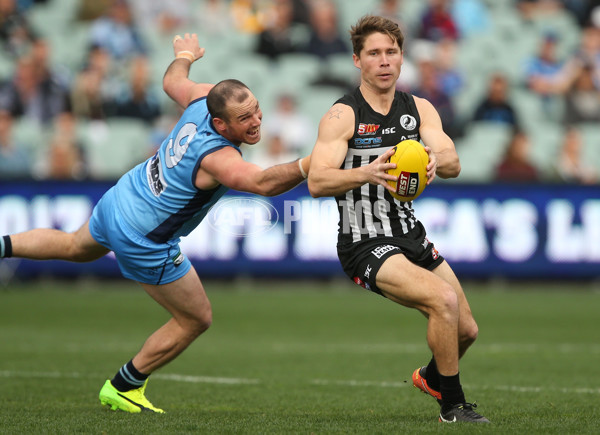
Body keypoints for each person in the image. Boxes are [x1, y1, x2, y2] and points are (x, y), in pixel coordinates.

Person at [0, 33, 310, 413]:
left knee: (72, 247)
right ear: (220, 123)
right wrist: (311, 164)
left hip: (122, 198)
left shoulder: (202, 96)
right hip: (144, 238)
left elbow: (170, 81)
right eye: (244, 118)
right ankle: (124, 385)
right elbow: (261, 183)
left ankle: (2, 245)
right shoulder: (216, 156)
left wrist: (184, 55)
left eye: (257, 110)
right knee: (196, 318)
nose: (257, 121)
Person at [307, 15, 489, 423]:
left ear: (402, 57)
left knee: (467, 331)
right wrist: (365, 172)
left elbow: (454, 162)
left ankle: (430, 376)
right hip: (364, 241)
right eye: (374, 53)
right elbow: (317, 181)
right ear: (357, 60)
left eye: (391, 52)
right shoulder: (343, 115)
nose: (384, 61)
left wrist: (433, 161)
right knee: (442, 302)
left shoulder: (418, 108)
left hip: (409, 233)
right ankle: (453, 406)